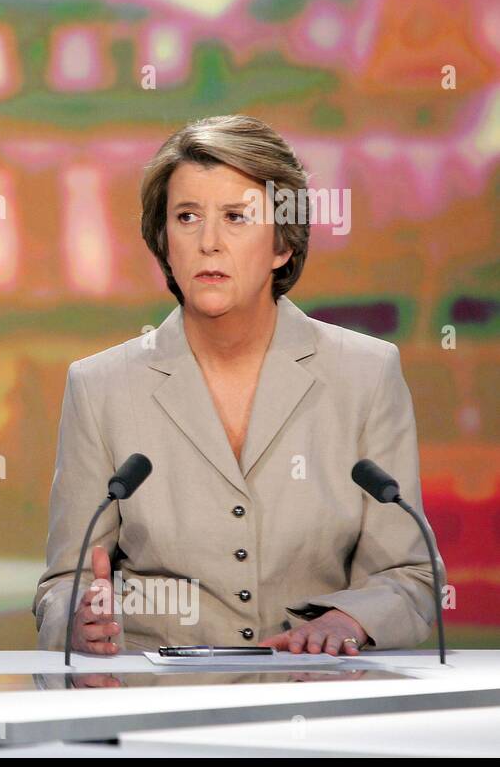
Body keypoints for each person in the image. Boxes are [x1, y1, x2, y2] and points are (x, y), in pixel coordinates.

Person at [35, 114, 442, 657]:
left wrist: (350, 621)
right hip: (155, 705)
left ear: (282, 245)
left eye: (236, 217)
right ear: (163, 242)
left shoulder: (366, 373)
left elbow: (409, 574)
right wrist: (75, 617)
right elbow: (65, 583)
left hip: (316, 698)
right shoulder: (100, 386)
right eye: (186, 217)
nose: (208, 242)